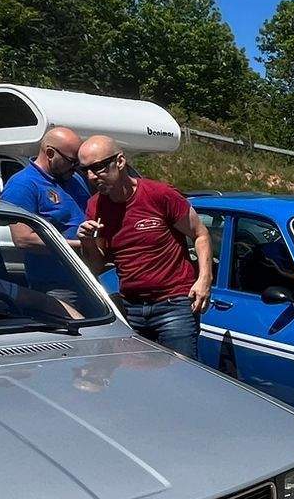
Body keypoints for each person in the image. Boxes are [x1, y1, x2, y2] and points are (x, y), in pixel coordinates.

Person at [74, 134, 214, 360]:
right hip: (131, 308)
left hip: (173, 304)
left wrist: (204, 279)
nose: (91, 176)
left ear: (120, 161)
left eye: (98, 167)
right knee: (138, 377)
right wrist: (87, 240)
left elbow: (200, 234)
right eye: (85, 170)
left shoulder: (159, 195)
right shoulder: (95, 206)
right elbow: (96, 265)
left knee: (180, 375)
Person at [0, 126, 89, 283]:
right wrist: (80, 247)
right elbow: (23, 239)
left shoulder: (74, 179)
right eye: (72, 161)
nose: (76, 168)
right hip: (55, 282)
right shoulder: (22, 184)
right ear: (50, 153)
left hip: (88, 275)